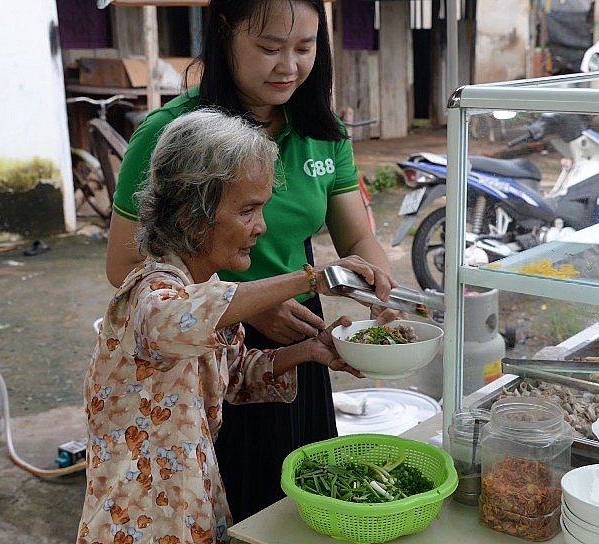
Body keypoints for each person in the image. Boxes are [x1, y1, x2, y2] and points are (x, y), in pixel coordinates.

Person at [105, 0, 401, 522]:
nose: (288, 66)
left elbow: (359, 238)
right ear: (225, 33)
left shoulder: (319, 129)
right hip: (204, 342)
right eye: (269, 47)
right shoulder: (172, 133)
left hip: (297, 344)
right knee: (229, 500)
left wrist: (375, 293)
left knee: (305, 498)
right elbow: (125, 266)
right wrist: (254, 306)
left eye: (304, 48)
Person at [78, 109, 395, 544]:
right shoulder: (151, 292)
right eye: (248, 210)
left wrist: (309, 351)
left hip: (193, 504)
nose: (260, 228)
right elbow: (172, 320)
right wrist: (311, 277)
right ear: (192, 214)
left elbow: (235, 374)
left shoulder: (203, 288)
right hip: (138, 523)